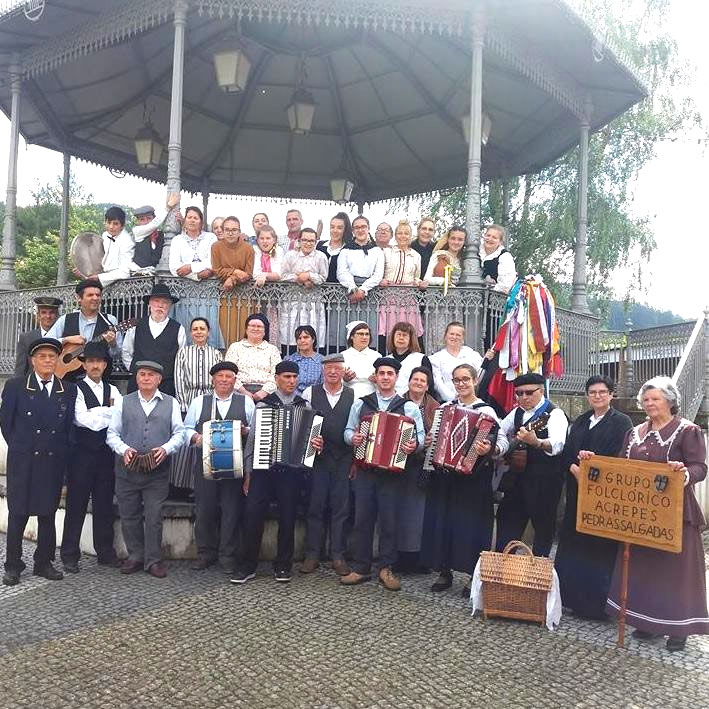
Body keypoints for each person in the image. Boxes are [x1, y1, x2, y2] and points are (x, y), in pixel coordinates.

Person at [593, 377, 708, 652]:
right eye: (645, 399)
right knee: (642, 569)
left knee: (674, 572)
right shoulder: (634, 432)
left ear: (670, 400)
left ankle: (678, 628)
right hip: (640, 514)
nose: (649, 404)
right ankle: (647, 622)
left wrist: (683, 473)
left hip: (675, 514)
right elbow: (621, 465)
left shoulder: (687, 430)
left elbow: (700, 467)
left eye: (655, 398)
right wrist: (592, 462)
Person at [231, 361, 322, 584]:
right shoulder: (264, 405)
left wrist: (316, 445)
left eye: (294, 377)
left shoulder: (306, 406)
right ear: (277, 378)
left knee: (288, 517)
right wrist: (249, 473)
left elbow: (311, 446)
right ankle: (247, 565)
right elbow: (252, 442)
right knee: (252, 514)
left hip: (292, 472)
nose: (291, 381)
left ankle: (283, 565)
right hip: (264, 469)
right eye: (287, 377)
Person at [421, 363, 508, 596]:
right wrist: (431, 442)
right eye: (456, 380)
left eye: (465, 379)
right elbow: (436, 437)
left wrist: (490, 447)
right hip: (446, 475)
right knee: (443, 523)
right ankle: (444, 571)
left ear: (474, 381)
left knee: (471, 526)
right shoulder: (445, 409)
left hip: (474, 478)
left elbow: (503, 443)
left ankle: (472, 576)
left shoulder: (486, 412)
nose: (461, 384)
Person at [340, 357, 425, 591]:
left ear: (396, 378)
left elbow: (419, 437)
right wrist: (353, 438)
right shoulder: (361, 404)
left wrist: (412, 446)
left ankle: (386, 568)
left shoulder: (408, 407)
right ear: (376, 377)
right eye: (382, 373)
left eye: (390, 373)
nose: (386, 377)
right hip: (366, 470)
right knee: (362, 519)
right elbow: (348, 431)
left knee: (389, 521)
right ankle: (360, 567)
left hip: (394, 473)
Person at [554, 375, 632, 620]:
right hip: (577, 492)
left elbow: (619, 456)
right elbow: (567, 452)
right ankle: (568, 596)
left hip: (603, 497)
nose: (597, 396)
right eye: (593, 392)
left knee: (598, 547)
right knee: (573, 542)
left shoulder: (622, 422)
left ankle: (595, 604)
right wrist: (574, 468)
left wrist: (591, 470)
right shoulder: (580, 421)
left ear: (611, 394)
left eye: (602, 392)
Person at [1, 338, 77, 586]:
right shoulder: (15, 386)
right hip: (23, 461)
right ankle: (13, 565)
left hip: (52, 461)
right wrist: (23, 447)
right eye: (42, 356)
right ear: (32, 361)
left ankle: (43, 562)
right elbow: (6, 424)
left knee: (47, 514)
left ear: (57, 361)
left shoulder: (67, 389)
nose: (47, 361)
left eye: (51, 357)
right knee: (18, 514)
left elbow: (67, 429)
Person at [106, 360, 185, 578]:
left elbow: (179, 433)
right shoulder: (123, 402)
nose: (146, 378)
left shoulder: (171, 403)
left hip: (157, 472)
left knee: (154, 516)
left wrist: (166, 449)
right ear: (137, 378)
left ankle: (153, 560)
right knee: (129, 514)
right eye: (142, 374)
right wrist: (124, 449)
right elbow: (112, 433)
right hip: (126, 470)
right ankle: (135, 556)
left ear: (159, 379)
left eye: (151, 374)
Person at [184, 361, 255, 574]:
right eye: (221, 376)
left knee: (232, 511)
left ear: (235, 380)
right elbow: (186, 429)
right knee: (204, 510)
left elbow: (255, 431)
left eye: (229, 376)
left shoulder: (247, 402)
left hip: (235, 467)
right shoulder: (199, 401)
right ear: (213, 379)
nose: (225, 380)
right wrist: (197, 437)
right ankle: (205, 553)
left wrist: (245, 431)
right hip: (205, 466)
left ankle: (228, 556)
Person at [60, 341, 123, 573]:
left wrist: (98, 413)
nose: (95, 365)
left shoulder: (113, 389)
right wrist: (104, 413)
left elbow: (118, 419)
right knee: (75, 506)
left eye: (99, 362)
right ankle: (69, 555)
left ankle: (105, 552)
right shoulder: (75, 388)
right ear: (84, 365)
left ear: (105, 365)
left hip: (105, 456)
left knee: (104, 505)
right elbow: (81, 419)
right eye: (91, 362)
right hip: (81, 456)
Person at [495, 372, 568, 557]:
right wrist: (501, 448)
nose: (523, 397)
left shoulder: (554, 413)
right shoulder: (516, 412)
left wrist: (537, 442)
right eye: (519, 393)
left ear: (541, 390)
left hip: (545, 481)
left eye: (529, 393)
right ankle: (501, 572)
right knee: (507, 524)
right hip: (517, 480)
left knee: (543, 529)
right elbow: (500, 431)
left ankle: (538, 575)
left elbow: (558, 444)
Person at [299, 353, 354, 576]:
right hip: (318, 459)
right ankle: (312, 554)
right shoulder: (309, 393)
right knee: (315, 506)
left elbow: (356, 428)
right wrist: (310, 441)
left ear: (343, 371)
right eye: (328, 368)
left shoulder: (354, 395)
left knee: (341, 509)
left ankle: (338, 556)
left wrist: (355, 461)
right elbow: (302, 425)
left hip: (343, 458)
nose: (332, 372)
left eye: (337, 368)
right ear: (323, 370)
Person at [171, 317, 223, 492]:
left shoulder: (216, 353)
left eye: (202, 328)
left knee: (208, 439)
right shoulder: (183, 353)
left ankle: (208, 483)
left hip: (209, 397)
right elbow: (179, 379)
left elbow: (218, 379)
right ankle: (185, 486)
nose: (199, 332)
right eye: (195, 329)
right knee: (190, 440)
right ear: (191, 332)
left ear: (208, 332)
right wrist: (183, 404)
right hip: (190, 396)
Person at [396, 366, 440, 574]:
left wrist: (431, 437)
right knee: (401, 511)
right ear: (409, 382)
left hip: (424, 464)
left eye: (423, 381)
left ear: (428, 385)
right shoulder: (398, 402)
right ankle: (399, 557)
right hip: (401, 463)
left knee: (419, 514)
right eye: (415, 379)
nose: (419, 383)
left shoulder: (435, 406)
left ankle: (419, 558)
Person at [46, 279, 121, 379]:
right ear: (78, 298)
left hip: (99, 379)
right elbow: (46, 342)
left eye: (98, 295)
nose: (95, 298)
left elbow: (117, 355)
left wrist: (113, 344)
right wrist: (66, 340)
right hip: (67, 380)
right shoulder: (65, 319)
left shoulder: (110, 321)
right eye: (90, 295)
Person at [122, 282, 186, 397]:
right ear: (149, 304)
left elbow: (181, 358)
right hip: (138, 386)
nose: (160, 306)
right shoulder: (135, 326)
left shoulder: (178, 329)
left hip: (166, 386)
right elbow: (126, 351)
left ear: (170, 306)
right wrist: (134, 370)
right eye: (156, 301)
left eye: (165, 302)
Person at [280, 228, 328, 351]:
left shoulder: (321, 257)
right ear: (299, 241)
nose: (308, 243)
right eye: (305, 240)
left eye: (312, 240)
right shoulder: (290, 255)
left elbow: (323, 277)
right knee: (290, 336)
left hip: (313, 302)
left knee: (312, 334)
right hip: (293, 301)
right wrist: (298, 278)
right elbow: (283, 275)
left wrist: (309, 276)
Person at [378, 220, 423, 351]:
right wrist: (381, 280)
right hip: (389, 296)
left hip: (408, 297)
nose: (403, 236)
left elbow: (416, 276)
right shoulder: (386, 252)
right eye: (400, 233)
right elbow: (379, 272)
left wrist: (418, 282)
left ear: (411, 236)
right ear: (395, 236)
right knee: (389, 330)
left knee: (408, 330)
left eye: (406, 233)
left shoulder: (416, 255)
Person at [211, 215, 255, 346]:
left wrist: (232, 278)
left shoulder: (248, 248)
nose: (230, 233)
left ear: (239, 231)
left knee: (243, 330)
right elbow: (217, 270)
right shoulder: (216, 247)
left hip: (244, 295)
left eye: (234, 230)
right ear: (222, 231)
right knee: (226, 331)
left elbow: (248, 274)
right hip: (225, 295)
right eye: (227, 229)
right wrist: (235, 272)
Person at [336, 215, 384, 336]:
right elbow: (341, 272)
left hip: (369, 292)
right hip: (348, 291)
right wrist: (353, 288)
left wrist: (363, 289)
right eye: (356, 227)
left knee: (367, 328)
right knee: (346, 329)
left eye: (363, 227)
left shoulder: (377, 251)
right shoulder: (345, 251)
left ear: (368, 228)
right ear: (353, 231)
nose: (360, 230)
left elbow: (378, 275)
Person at [224, 313, 281, 401]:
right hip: (238, 391)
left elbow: (277, 374)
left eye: (259, 326)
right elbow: (229, 371)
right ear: (246, 329)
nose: (255, 328)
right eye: (252, 326)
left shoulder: (272, 350)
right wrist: (243, 391)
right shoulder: (235, 347)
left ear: (265, 331)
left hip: (266, 393)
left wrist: (264, 391)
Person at [72, 206, 133, 287]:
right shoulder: (105, 235)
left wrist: (99, 277)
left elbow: (125, 272)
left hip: (122, 286)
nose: (111, 227)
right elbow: (97, 263)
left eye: (115, 224)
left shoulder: (127, 242)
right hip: (103, 284)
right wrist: (83, 274)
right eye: (109, 223)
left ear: (122, 225)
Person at [317, 211, 351, 351]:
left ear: (345, 230)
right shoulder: (320, 246)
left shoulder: (349, 248)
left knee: (336, 331)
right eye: (332, 226)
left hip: (340, 299)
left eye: (339, 227)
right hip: (320, 297)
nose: (335, 230)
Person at [428, 321, 483, 402]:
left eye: (458, 335)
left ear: (463, 338)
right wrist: (453, 398)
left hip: (471, 400)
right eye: (452, 334)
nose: (454, 337)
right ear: (445, 336)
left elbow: (479, 376)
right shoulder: (436, 358)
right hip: (448, 401)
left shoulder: (473, 355)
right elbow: (437, 382)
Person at [130, 193, 180, 275]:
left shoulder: (162, 235)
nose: (146, 222)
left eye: (149, 218)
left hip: (157, 275)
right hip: (138, 276)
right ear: (138, 222)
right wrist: (168, 207)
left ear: (153, 218)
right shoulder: (137, 231)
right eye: (142, 219)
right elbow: (153, 225)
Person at [14, 296, 62, 377]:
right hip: (33, 386)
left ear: (57, 315)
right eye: (44, 312)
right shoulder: (26, 338)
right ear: (38, 315)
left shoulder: (65, 337)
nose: (48, 316)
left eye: (51, 312)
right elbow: (20, 370)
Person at [251, 224, 283, 347]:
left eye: (268, 238)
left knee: (272, 323)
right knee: (256, 323)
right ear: (257, 240)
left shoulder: (279, 251)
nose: (265, 241)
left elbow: (279, 273)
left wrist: (264, 275)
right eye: (262, 238)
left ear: (274, 239)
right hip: (255, 295)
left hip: (273, 296)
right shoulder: (254, 251)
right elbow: (254, 273)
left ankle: (272, 347)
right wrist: (264, 275)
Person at [169, 205, 216, 282]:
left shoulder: (210, 238)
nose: (192, 220)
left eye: (195, 218)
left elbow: (213, 262)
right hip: (184, 286)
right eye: (189, 217)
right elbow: (174, 268)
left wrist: (191, 267)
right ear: (185, 220)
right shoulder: (177, 240)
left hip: (209, 285)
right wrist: (197, 275)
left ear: (201, 222)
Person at [386, 321, 432, 395]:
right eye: (398, 335)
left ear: (411, 339)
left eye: (404, 335)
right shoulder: (386, 360)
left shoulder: (421, 359)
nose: (401, 338)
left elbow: (429, 385)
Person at [342, 321, 379, 399]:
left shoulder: (376, 356)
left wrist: (377, 380)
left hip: (371, 397)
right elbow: (334, 382)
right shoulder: (343, 356)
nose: (364, 337)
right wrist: (344, 379)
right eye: (360, 334)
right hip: (348, 396)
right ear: (351, 336)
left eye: (367, 334)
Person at [284, 325, 323, 394]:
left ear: (313, 339)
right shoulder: (289, 360)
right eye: (299, 338)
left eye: (306, 337)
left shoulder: (322, 361)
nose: (302, 340)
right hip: (292, 400)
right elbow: (284, 384)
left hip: (315, 399)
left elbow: (324, 385)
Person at [480, 224, 516, 294]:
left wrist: (488, 288)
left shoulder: (505, 257)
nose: (490, 239)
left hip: (494, 299)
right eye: (488, 235)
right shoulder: (476, 251)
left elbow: (505, 286)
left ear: (500, 242)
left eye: (494, 237)